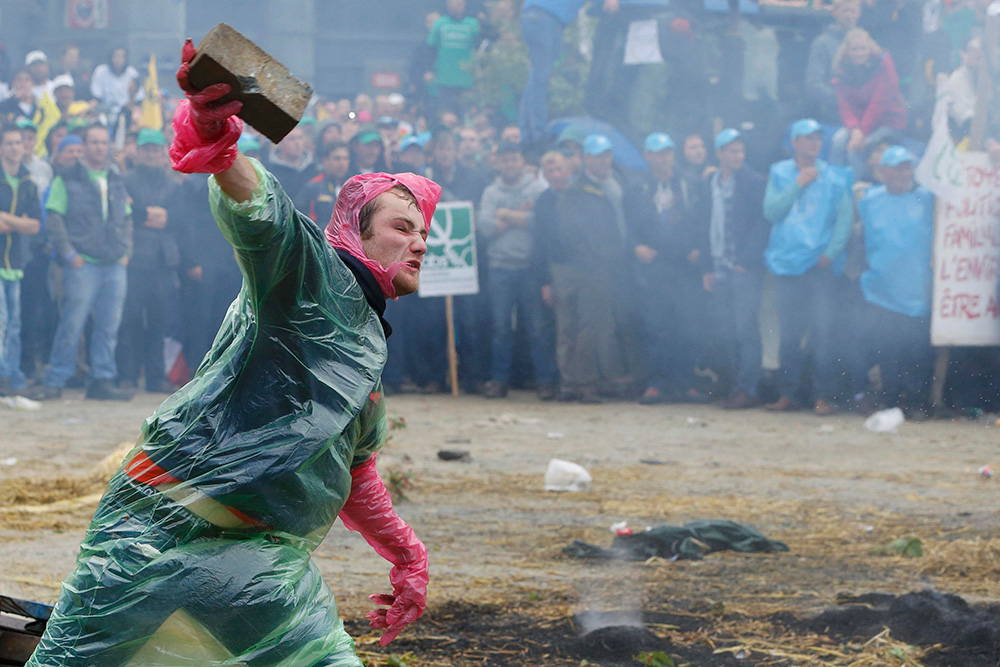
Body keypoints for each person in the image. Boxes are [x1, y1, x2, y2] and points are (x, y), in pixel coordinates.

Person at [26, 40, 436, 667]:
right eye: (402, 228)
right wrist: (215, 136)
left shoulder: (366, 342)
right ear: (356, 229)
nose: (419, 245)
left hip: (256, 567)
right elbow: (261, 213)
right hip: (157, 529)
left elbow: (354, 468)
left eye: (423, 233)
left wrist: (407, 553)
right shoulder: (309, 276)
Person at [29, 123, 133, 401]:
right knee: (72, 324)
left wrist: (126, 251)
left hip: (114, 262)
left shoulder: (115, 177)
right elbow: (54, 217)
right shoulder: (66, 177)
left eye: (103, 142)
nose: (100, 147)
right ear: (84, 146)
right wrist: (70, 255)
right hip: (82, 263)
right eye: (94, 142)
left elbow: (126, 216)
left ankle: (101, 378)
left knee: (108, 326)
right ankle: (56, 379)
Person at [763, 119, 853, 415]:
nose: (814, 142)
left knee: (823, 333)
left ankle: (822, 395)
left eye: (817, 137)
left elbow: (844, 218)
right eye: (807, 138)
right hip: (787, 264)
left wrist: (831, 252)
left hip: (819, 265)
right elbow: (772, 210)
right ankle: (789, 394)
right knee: (789, 333)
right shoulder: (779, 172)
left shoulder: (837, 176)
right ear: (794, 143)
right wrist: (798, 183)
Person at [626, 132, 709, 404]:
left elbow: (704, 218)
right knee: (655, 325)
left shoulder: (691, 183)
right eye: (656, 153)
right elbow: (625, 225)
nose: (662, 158)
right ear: (647, 156)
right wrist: (636, 246)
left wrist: (699, 247)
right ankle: (656, 383)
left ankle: (686, 383)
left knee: (687, 324)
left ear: (673, 154)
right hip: (653, 265)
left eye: (667, 152)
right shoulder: (636, 186)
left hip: (685, 265)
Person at [551, 133, 630, 402]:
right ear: (586, 159)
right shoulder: (576, 191)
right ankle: (581, 384)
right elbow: (572, 234)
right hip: (584, 270)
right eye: (598, 155)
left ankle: (595, 380)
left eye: (607, 154)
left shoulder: (616, 184)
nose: (604, 160)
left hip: (607, 269)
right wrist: (599, 259)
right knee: (583, 328)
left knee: (599, 326)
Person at [857, 146, 934, 413]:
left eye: (907, 167)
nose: (904, 173)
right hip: (882, 288)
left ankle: (915, 402)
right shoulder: (870, 199)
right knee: (887, 350)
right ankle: (889, 399)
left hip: (916, 288)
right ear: (883, 172)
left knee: (916, 351)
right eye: (898, 168)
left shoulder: (927, 198)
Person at [479, 140, 556, 399]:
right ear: (498, 162)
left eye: (514, 158)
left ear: (522, 161)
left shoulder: (539, 188)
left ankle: (545, 381)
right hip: (500, 268)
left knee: (537, 328)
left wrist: (505, 215)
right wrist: (520, 216)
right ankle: (499, 380)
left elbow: (543, 222)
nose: (510, 163)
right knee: (500, 329)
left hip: (530, 269)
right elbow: (486, 228)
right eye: (506, 159)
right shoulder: (490, 191)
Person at [701, 129, 768, 409]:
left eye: (741, 150)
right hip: (718, 266)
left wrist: (747, 260)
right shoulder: (709, 182)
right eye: (732, 151)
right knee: (725, 330)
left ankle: (748, 388)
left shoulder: (754, 181)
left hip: (742, 268)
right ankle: (730, 384)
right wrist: (706, 266)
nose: (738, 155)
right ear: (719, 154)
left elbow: (762, 224)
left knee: (745, 329)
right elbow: (702, 224)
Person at [117, 128, 179, 394]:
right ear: (139, 153)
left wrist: (145, 215)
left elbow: (176, 218)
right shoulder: (125, 180)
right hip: (133, 259)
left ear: (163, 152)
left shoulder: (173, 184)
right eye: (147, 150)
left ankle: (155, 377)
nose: (152, 154)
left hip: (163, 262)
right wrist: (148, 215)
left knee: (158, 323)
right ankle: (127, 375)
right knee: (128, 321)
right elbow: (125, 213)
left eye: (156, 150)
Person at [0, 124, 42, 396]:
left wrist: (6, 220)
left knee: (13, 325)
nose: (15, 147)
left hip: (16, 262)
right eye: (9, 143)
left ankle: (11, 377)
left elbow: (36, 225)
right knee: (2, 322)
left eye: (18, 143)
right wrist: (20, 222)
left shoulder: (29, 182)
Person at [831, 28, 907, 173]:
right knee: (838, 141)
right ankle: (836, 183)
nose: (859, 53)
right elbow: (844, 105)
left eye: (862, 48)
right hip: (859, 124)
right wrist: (854, 129)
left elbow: (879, 104)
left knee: (857, 149)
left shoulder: (883, 66)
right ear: (846, 51)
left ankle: (857, 188)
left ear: (870, 48)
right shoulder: (841, 71)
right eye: (854, 49)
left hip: (888, 122)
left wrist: (862, 133)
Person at [805, 0, 862, 123]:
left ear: (859, 13)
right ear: (834, 12)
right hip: (832, 116)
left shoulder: (865, 41)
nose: (849, 15)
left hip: (864, 113)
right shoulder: (822, 43)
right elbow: (814, 84)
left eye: (853, 11)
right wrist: (843, 100)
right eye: (845, 10)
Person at [425, 0, 480, 116]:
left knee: (466, 114)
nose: (456, 7)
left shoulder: (473, 24)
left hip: (467, 80)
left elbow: (479, 49)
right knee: (446, 114)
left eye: (459, 5)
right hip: (444, 79)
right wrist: (429, 70)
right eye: (452, 5)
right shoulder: (440, 24)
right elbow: (431, 49)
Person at [297, 140, 350, 228]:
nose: (342, 163)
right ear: (326, 160)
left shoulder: (353, 187)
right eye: (337, 159)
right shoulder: (312, 187)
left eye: (345, 158)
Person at [265, 124, 318, 198]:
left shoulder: (314, 167)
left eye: (300, 138)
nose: (297, 143)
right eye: (292, 139)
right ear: (280, 143)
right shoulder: (270, 172)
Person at [90, 47, 140, 119]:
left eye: (121, 57)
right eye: (115, 56)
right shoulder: (100, 71)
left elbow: (138, 97)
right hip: (104, 111)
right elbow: (96, 96)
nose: (118, 60)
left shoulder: (132, 73)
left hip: (126, 112)